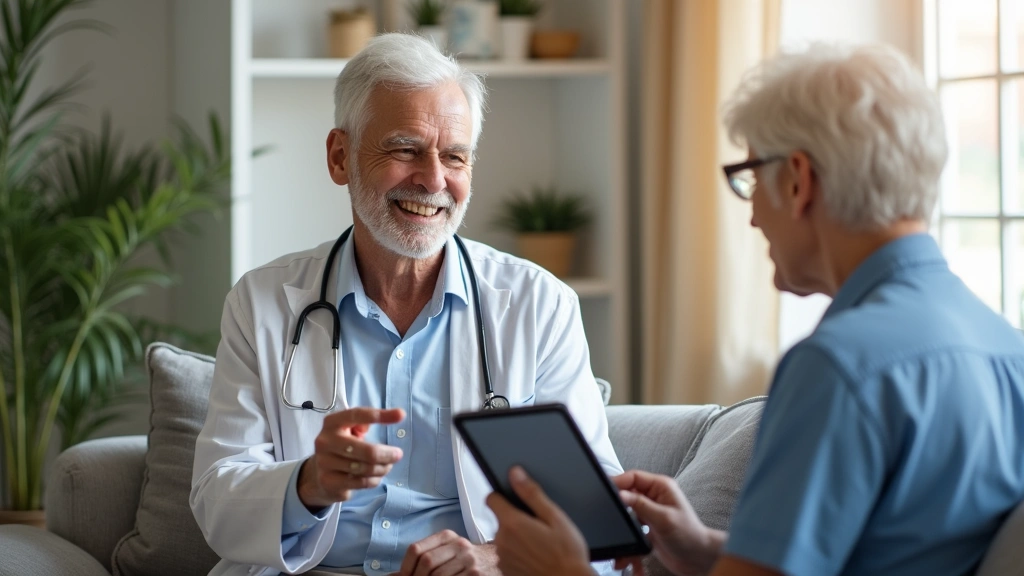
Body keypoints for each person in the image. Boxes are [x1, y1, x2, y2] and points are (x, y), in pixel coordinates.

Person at [485, 43, 1024, 576]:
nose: (753, 219)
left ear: (797, 180)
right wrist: (705, 550)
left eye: (749, 180)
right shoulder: (1007, 347)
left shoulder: (839, 367)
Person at [190, 33, 623, 576]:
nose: (434, 179)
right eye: (405, 149)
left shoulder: (540, 306)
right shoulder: (263, 302)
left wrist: (495, 560)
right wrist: (310, 483)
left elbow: (596, 522)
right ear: (340, 156)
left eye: (455, 157)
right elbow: (216, 503)